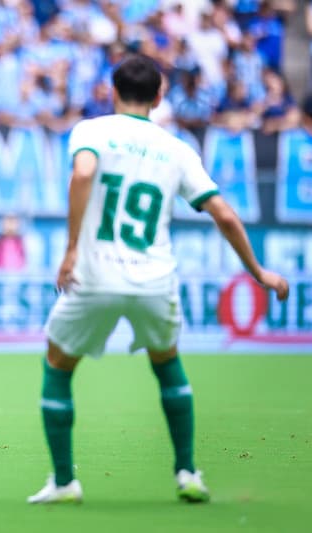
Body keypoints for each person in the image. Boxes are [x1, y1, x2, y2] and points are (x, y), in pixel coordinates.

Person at [27, 54, 289, 505]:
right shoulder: (177, 149)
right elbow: (225, 215)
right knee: (167, 365)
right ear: (159, 95)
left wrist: (71, 250)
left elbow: (84, 173)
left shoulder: (92, 131)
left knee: (58, 366)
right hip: (154, 278)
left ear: (113, 91)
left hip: (94, 275)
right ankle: (187, 472)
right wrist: (258, 271)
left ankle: (65, 482)